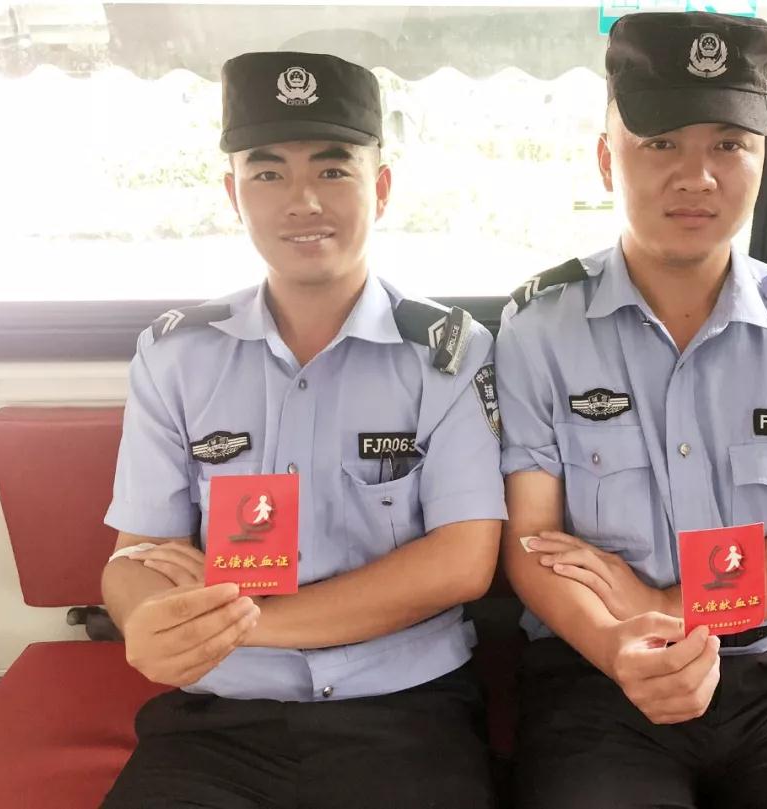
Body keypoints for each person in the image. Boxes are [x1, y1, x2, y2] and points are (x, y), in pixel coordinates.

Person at [495, 11, 767, 809]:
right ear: (607, 160)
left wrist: (669, 607)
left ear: (761, 159)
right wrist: (620, 642)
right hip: (597, 677)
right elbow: (532, 539)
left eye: (728, 144)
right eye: (661, 143)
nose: (696, 176)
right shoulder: (539, 328)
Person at [100, 51, 505, 809]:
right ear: (233, 194)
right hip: (218, 710)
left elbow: (460, 563)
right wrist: (147, 618)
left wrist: (238, 623)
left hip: (402, 707)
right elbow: (137, 554)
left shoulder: (448, 353)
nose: (302, 201)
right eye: (267, 173)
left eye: (333, 169)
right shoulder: (175, 357)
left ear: (380, 188)